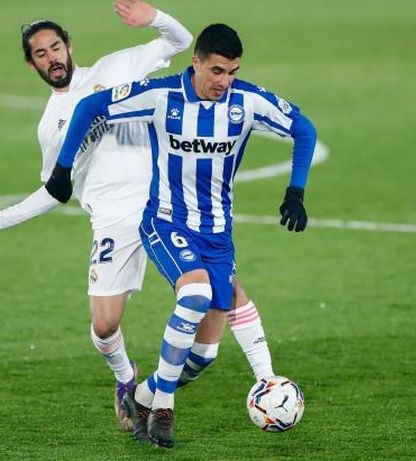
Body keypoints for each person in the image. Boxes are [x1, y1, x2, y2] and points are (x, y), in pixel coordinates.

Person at [0, 2, 276, 434]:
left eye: (56, 47)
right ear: (31, 63)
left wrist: (153, 16)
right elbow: (56, 189)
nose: (53, 58)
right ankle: (126, 381)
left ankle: (165, 393)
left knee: (212, 328)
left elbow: (181, 41)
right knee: (104, 324)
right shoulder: (50, 126)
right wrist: (3, 219)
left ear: (68, 45)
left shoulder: (119, 67)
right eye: (41, 54)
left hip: (167, 206)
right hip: (114, 221)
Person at [44, 23, 317, 447]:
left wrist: (295, 190)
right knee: (193, 295)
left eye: (233, 72)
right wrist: (62, 168)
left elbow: (304, 129)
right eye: (217, 71)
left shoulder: (246, 102)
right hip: (166, 221)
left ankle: (143, 394)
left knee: (205, 354)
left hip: (217, 233)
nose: (225, 82)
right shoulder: (162, 96)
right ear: (196, 62)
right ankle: (164, 407)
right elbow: (91, 106)